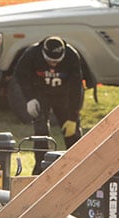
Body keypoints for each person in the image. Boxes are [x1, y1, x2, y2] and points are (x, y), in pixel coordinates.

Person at [13, 35, 88, 172]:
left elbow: (76, 87)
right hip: (40, 95)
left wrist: (73, 116)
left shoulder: (72, 56)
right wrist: (30, 98)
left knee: (71, 131)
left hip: (63, 96)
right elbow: (20, 75)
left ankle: (77, 166)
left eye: (56, 61)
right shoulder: (32, 54)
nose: (53, 65)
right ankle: (41, 168)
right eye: (50, 61)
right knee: (41, 130)